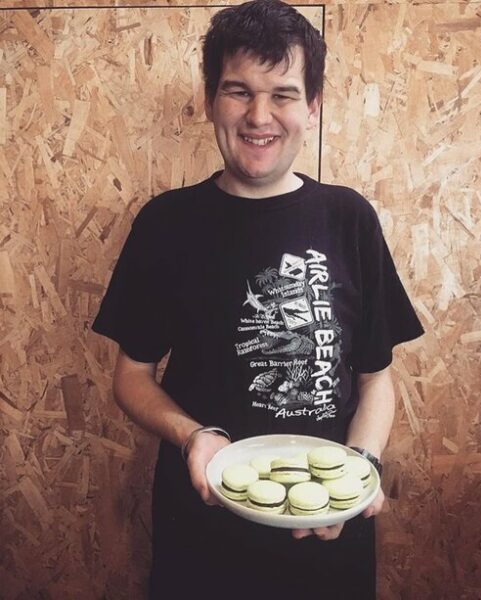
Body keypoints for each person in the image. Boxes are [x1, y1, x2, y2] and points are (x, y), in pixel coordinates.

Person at [92, 1, 424, 598]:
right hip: (203, 535)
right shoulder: (166, 224)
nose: (259, 115)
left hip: (329, 538)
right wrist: (195, 436)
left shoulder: (349, 218)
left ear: (313, 105)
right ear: (209, 99)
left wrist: (361, 467)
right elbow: (130, 377)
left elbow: (376, 380)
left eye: (284, 94)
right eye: (238, 91)